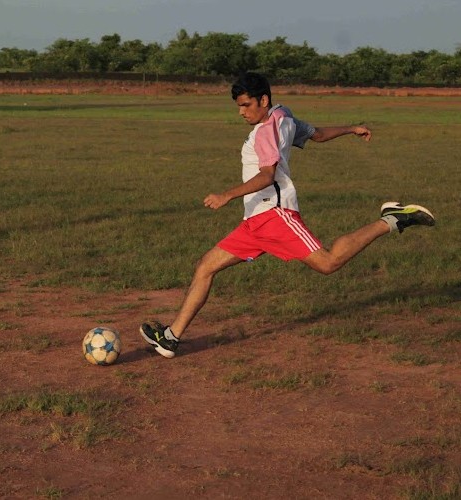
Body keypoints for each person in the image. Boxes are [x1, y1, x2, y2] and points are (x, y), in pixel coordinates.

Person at [140, 72, 435, 358]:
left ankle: (391, 219)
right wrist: (351, 128)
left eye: (246, 105)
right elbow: (316, 135)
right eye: (238, 106)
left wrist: (226, 195)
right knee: (206, 266)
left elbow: (268, 175)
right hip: (255, 220)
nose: (241, 112)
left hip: (275, 215)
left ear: (263, 100)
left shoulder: (265, 131)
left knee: (329, 262)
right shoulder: (284, 115)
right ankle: (171, 338)